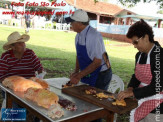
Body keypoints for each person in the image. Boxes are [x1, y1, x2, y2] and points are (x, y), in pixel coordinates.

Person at [117, 19, 163, 122]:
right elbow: (137, 75)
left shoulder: (159, 55)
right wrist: (130, 88)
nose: (134, 46)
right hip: (141, 97)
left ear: (146, 37)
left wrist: (133, 93)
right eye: (133, 43)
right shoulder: (139, 55)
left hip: (157, 104)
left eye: (135, 42)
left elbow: (157, 86)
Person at [0, 31, 44, 122]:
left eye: (23, 42)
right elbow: (1, 76)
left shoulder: (30, 53)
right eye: (20, 43)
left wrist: (39, 77)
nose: (23, 45)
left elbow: (39, 68)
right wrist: (14, 84)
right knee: (15, 106)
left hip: (30, 87)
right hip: (12, 88)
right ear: (13, 47)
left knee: (39, 105)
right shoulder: (6, 57)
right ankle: (15, 118)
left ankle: (32, 117)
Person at [65, 9, 112, 91]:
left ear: (79, 23)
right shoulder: (78, 36)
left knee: (96, 99)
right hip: (87, 72)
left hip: (101, 74)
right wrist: (76, 71)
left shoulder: (94, 36)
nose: (71, 24)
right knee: (84, 94)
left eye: (72, 22)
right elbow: (79, 55)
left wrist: (79, 75)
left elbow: (97, 62)